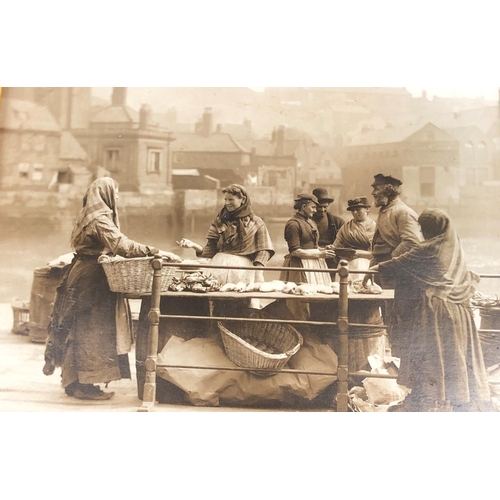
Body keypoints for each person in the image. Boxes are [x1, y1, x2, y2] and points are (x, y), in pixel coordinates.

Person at [43, 177, 181, 400]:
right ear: (106, 194)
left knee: (77, 328)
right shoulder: (99, 220)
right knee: (91, 330)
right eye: (115, 193)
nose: (117, 198)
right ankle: (83, 385)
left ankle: (73, 381)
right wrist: (156, 251)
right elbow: (121, 246)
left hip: (81, 275)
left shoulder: (85, 217)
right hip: (91, 280)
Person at [370, 209, 494, 412]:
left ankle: (434, 399)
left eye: (423, 227)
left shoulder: (428, 248)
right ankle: (458, 397)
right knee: (456, 355)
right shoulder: (455, 247)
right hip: (461, 310)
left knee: (434, 354)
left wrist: (373, 269)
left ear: (429, 229)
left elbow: (398, 263)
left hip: (438, 309)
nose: (421, 231)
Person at [363, 173, 423, 356]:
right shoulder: (384, 211)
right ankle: (396, 360)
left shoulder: (403, 212)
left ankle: (403, 362)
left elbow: (412, 243)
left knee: (401, 318)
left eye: (376, 188)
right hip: (385, 274)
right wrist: (371, 269)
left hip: (399, 276)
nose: (373, 192)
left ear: (388, 190)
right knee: (389, 317)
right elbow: (379, 244)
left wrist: (389, 262)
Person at [177, 183, 275, 284]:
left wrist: (258, 274)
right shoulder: (219, 221)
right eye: (225, 200)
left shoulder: (256, 222)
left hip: (242, 272)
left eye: (231, 199)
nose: (227, 203)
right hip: (218, 268)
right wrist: (193, 245)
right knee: (215, 296)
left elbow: (264, 251)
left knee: (240, 297)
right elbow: (210, 250)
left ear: (243, 200)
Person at [279, 193, 336, 321]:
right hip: (299, 266)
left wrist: (323, 249)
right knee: (299, 302)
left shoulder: (311, 222)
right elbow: (295, 251)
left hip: (314, 265)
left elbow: (312, 245)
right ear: (304, 207)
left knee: (317, 299)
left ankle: (314, 330)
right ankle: (300, 330)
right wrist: (319, 254)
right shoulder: (293, 224)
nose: (316, 211)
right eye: (313, 208)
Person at [332, 196, 376, 280]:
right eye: (352, 210)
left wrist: (358, 253)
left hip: (365, 265)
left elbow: (377, 253)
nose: (355, 212)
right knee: (343, 289)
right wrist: (332, 248)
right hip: (346, 264)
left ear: (367, 209)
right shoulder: (346, 227)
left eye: (358, 209)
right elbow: (336, 246)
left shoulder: (375, 227)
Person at [312, 187, 345, 272]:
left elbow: (344, 242)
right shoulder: (306, 222)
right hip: (311, 258)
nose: (322, 210)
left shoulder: (337, 222)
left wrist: (333, 247)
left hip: (331, 260)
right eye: (319, 207)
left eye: (325, 207)